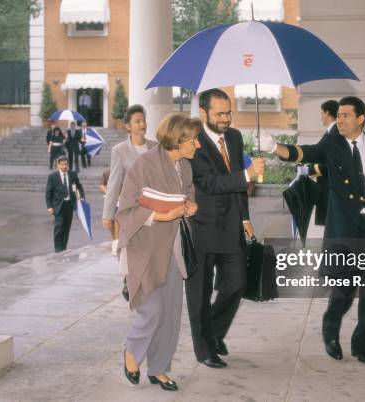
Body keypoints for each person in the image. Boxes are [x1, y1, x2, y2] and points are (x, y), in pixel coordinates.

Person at [262, 96, 365, 364]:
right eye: (337, 115)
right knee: (344, 291)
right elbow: (304, 152)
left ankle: (361, 345)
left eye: (345, 115)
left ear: (360, 118)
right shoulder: (332, 144)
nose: (339, 120)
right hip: (346, 230)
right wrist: (275, 147)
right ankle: (330, 329)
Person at [117, 113, 201, 391]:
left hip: (175, 248)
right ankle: (132, 351)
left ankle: (159, 368)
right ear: (178, 140)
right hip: (147, 248)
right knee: (152, 309)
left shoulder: (185, 166)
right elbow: (125, 210)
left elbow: (187, 196)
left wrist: (189, 207)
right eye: (193, 140)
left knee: (172, 312)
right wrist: (163, 216)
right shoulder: (145, 164)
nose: (197, 145)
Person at [186, 88, 265, 368]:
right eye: (220, 114)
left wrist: (245, 218)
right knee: (200, 293)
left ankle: (215, 333)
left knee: (237, 283)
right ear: (203, 113)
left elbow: (238, 188)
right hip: (203, 229)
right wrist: (247, 173)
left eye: (229, 112)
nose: (226, 119)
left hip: (232, 226)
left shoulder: (234, 137)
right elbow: (210, 183)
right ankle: (204, 349)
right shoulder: (193, 142)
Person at [102, 105, 157, 256]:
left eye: (143, 120)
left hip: (153, 209)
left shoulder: (155, 147)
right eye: (137, 121)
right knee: (132, 254)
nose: (142, 125)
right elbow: (113, 183)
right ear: (128, 126)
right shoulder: (119, 150)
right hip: (130, 210)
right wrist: (108, 215)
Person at [45, 155, 86, 253]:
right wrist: (49, 206)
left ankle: (63, 248)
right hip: (58, 206)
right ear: (58, 165)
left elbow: (78, 186)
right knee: (59, 227)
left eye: (65, 164)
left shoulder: (72, 174)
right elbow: (48, 192)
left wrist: (80, 196)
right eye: (62, 164)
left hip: (69, 205)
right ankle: (58, 250)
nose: (64, 166)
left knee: (66, 228)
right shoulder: (52, 176)